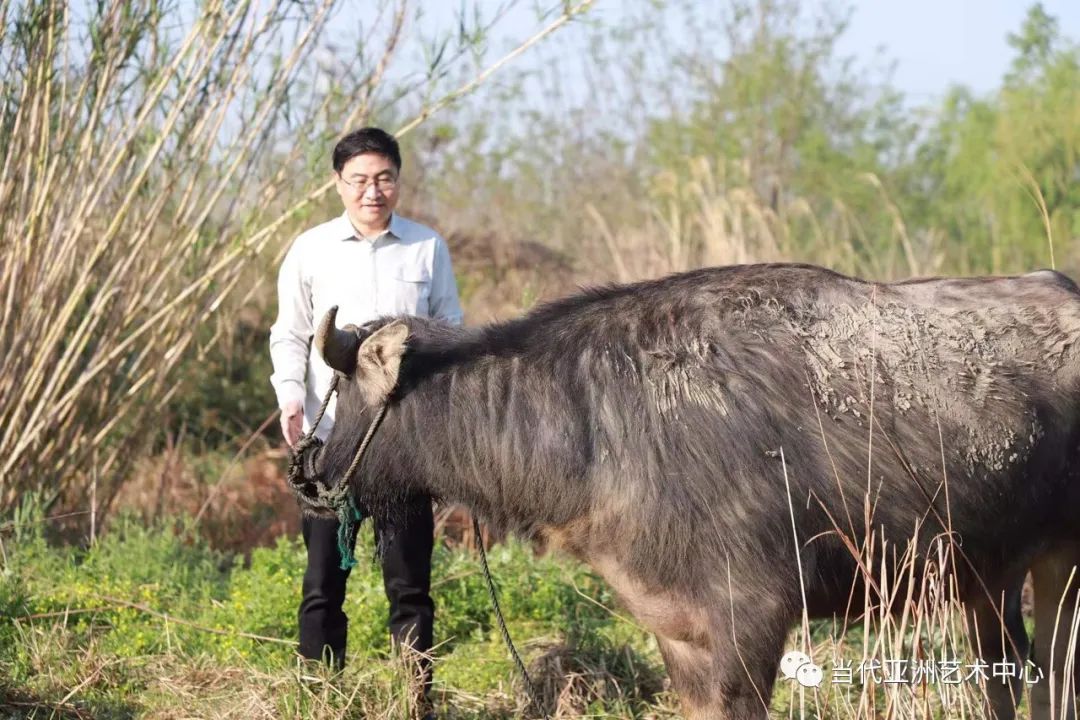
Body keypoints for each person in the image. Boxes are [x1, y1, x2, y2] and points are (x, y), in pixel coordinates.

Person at [268, 127, 462, 700]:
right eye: (359, 180)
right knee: (324, 581)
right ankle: (321, 698)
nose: (371, 191)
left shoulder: (427, 247)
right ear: (337, 184)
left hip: (405, 444)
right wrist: (290, 395)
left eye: (383, 179)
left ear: (398, 182)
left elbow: (451, 332)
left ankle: (414, 699)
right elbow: (291, 333)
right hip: (331, 439)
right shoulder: (310, 248)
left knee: (410, 586)